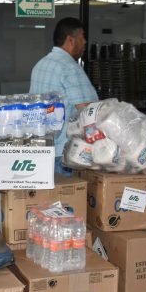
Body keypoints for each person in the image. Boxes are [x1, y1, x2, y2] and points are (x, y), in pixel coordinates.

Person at [29, 17, 98, 175]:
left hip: (42, 150)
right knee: (68, 197)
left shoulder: (40, 65)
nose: (85, 42)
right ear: (70, 40)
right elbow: (87, 110)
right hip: (65, 153)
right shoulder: (69, 68)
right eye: (82, 37)